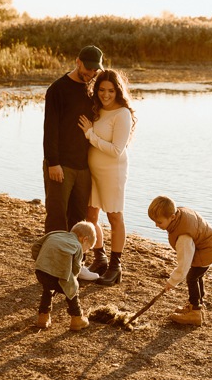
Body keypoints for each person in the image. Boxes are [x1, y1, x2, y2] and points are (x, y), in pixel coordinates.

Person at [77, 69, 136, 286]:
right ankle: (99, 257)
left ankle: (115, 266)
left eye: (110, 90)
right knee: (91, 216)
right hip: (93, 171)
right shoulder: (97, 109)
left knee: (114, 217)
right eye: (101, 90)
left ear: (117, 90)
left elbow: (115, 150)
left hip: (113, 172)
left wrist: (90, 134)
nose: (106, 94)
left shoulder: (122, 114)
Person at [42, 45, 103, 235]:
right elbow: (50, 129)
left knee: (79, 219)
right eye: (88, 68)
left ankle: (76, 262)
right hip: (61, 165)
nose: (91, 73)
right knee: (57, 216)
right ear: (77, 62)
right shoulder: (57, 89)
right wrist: (53, 163)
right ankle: (53, 261)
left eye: (95, 69)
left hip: (84, 167)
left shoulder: (94, 90)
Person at [147, 195, 212, 326]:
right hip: (211, 247)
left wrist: (172, 281)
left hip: (208, 251)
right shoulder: (179, 216)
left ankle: (195, 312)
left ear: (172, 217)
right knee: (197, 275)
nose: (156, 225)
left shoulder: (183, 236)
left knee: (192, 277)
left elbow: (184, 265)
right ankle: (197, 303)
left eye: (159, 222)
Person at [31, 220, 97, 331]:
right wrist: (73, 279)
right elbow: (76, 268)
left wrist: (41, 262)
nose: (85, 251)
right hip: (59, 275)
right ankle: (77, 319)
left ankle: (43, 317)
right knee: (72, 290)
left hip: (41, 272)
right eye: (88, 248)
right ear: (84, 239)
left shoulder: (55, 234)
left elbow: (36, 246)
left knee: (48, 289)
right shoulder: (77, 246)